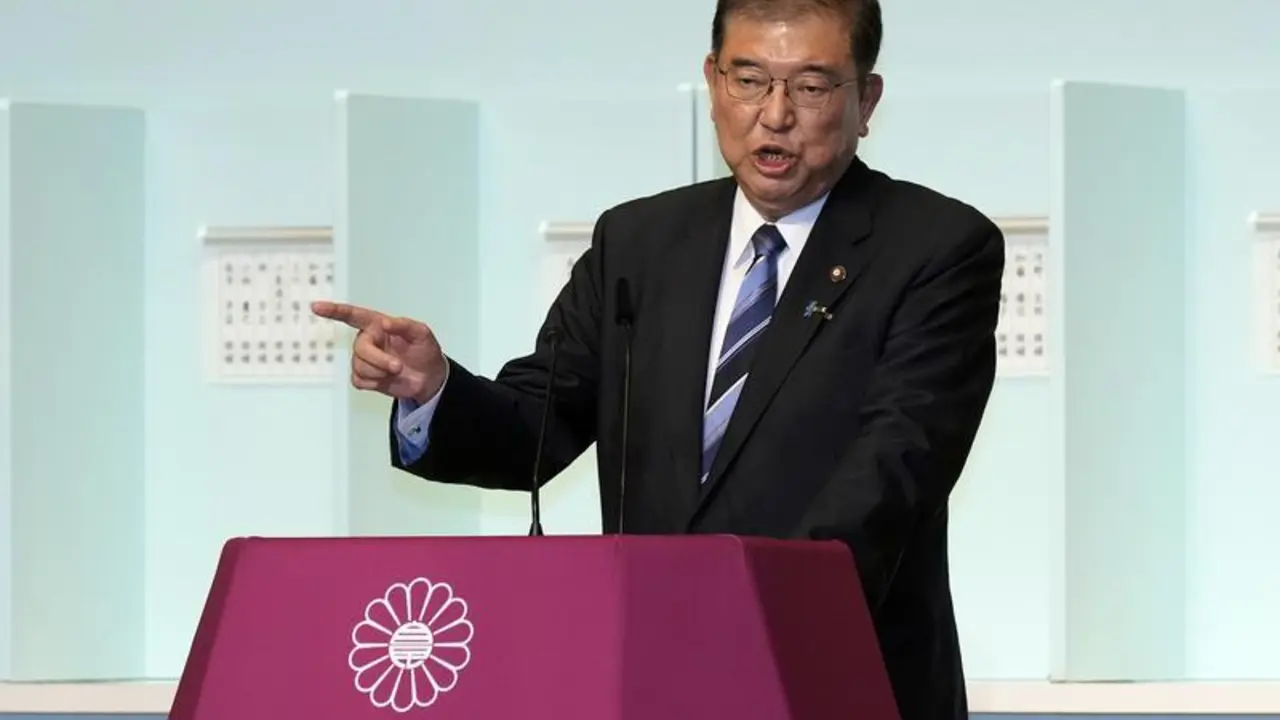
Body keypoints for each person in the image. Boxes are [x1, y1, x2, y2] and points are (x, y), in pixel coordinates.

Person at [313, 1, 1003, 718]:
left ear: (867, 100)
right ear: (712, 82)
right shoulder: (640, 243)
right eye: (749, 80)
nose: (774, 115)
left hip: (835, 674)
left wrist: (752, 614)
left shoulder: (935, 248)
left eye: (811, 86)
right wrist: (434, 390)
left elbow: (895, 467)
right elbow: (537, 427)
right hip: (648, 676)